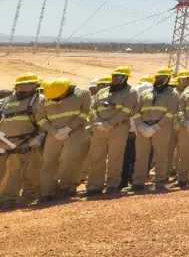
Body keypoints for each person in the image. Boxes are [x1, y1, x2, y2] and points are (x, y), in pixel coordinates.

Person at [38, 77, 92, 201]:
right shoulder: (47, 96)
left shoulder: (83, 93)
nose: (57, 99)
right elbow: (40, 117)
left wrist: (68, 128)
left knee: (68, 157)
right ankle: (48, 192)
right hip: (54, 133)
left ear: (66, 89)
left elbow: (85, 113)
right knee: (49, 162)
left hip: (75, 131)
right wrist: (53, 130)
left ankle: (65, 186)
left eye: (59, 96)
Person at [87, 66, 138, 196]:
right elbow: (93, 108)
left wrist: (109, 123)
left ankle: (112, 184)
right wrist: (97, 122)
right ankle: (94, 186)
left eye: (119, 76)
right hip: (99, 128)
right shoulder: (102, 91)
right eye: (114, 76)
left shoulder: (131, 92)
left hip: (118, 128)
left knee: (115, 157)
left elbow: (126, 110)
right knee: (97, 157)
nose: (115, 79)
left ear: (125, 78)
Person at [0, 73, 44, 209]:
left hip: (27, 142)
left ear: (36, 85)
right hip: (3, 142)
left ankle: (9, 199)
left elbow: (44, 121)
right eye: (20, 85)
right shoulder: (5, 101)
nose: (23, 87)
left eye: (28, 84)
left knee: (16, 170)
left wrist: (40, 137)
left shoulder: (40, 100)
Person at [130, 67, 178, 191]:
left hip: (161, 128)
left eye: (161, 77)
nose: (158, 79)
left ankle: (159, 180)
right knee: (140, 155)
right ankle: (138, 182)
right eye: (157, 77)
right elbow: (136, 111)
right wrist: (141, 125)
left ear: (167, 79)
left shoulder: (173, 94)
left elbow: (170, 112)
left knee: (161, 155)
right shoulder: (145, 93)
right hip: (144, 127)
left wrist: (157, 126)